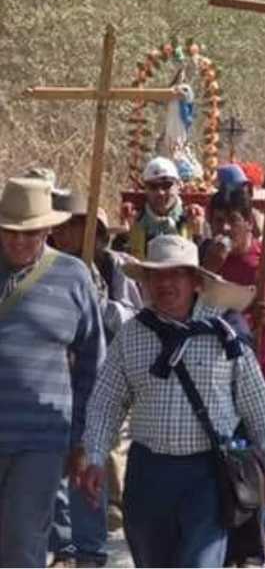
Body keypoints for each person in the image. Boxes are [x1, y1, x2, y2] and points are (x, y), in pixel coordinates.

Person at [79, 235, 265, 568]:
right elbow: (106, 401)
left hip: (209, 474)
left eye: (176, 274)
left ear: (196, 282)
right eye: (156, 275)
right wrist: (95, 456)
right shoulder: (131, 336)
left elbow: (257, 405)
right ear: (146, 283)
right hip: (149, 473)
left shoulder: (225, 335)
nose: (165, 283)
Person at [0, 178, 105, 568]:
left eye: (28, 233)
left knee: (22, 542)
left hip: (41, 440)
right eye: (9, 231)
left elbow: (93, 362)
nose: (18, 241)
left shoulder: (73, 276)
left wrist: (83, 439)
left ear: (47, 229)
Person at [48, 192, 142, 568]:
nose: (66, 233)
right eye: (62, 226)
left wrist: (98, 306)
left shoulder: (115, 268)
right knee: (54, 461)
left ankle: (89, 547)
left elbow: (134, 317)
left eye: (76, 226)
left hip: (102, 375)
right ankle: (64, 544)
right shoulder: (45, 266)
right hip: (56, 378)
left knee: (89, 455)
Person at [202, 188, 265, 400]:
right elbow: (190, 308)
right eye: (219, 221)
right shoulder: (202, 254)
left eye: (233, 220)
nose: (225, 228)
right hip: (213, 375)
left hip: (262, 373)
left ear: (249, 222)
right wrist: (209, 269)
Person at [120, 157, 204, 259]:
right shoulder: (134, 220)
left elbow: (205, 262)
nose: (160, 193)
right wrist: (123, 235)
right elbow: (117, 261)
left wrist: (198, 235)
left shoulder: (194, 219)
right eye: (153, 186)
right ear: (145, 189)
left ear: (178, 185)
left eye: (166, 185)